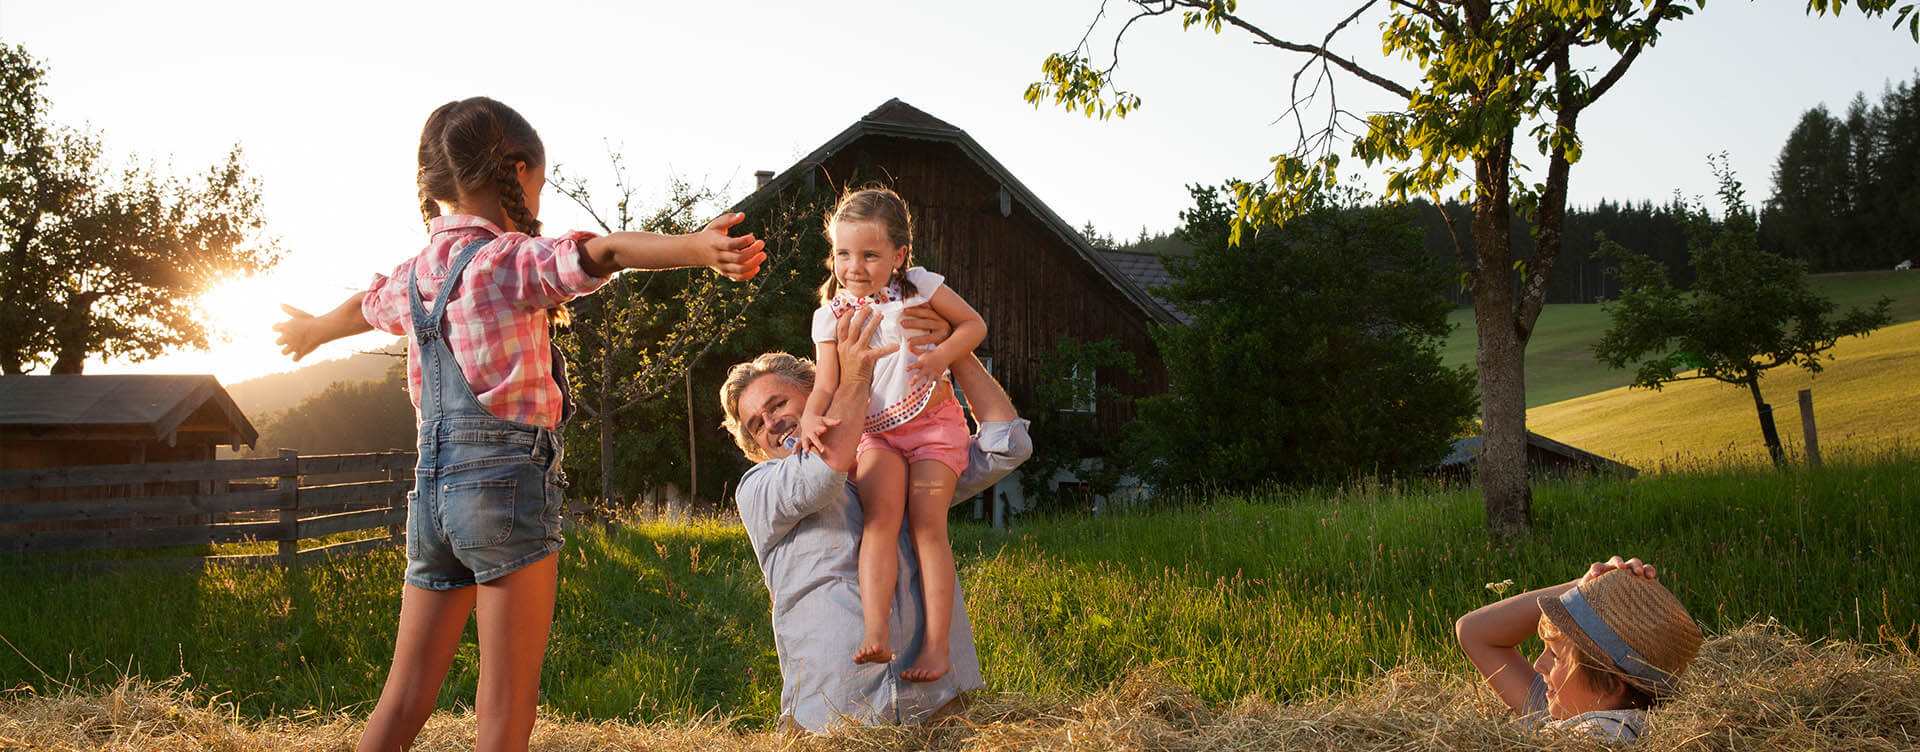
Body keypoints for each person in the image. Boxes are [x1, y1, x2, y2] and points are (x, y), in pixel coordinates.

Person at [270, 96, 765, 752]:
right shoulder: (509, 261)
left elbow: (360, 308)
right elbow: (604, 251)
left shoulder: (417, 276)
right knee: (505, 705)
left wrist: (309, 330)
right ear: (519, 170)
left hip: (431, 502)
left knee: (405, 694)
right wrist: (696, 249)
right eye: (537, 180)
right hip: (504, 493)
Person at [721, 306, 1030, 732]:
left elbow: (1005, 445)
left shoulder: (902, 463)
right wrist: (856, 377)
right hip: (832, 721)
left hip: (938, 711)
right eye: (757, 424)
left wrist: (951, 348)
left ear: (815, 396)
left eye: (778, 404)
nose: (772, 423)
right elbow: (822, 476)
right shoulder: (760, 489)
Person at [798, 187, 987, 682]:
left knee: (928, 527)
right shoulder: (830, 316)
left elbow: (973, 325)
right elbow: (825, 385)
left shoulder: (919, 287)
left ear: (899, 255)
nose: (854, 266)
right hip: (877, 434)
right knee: (879, 521)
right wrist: (809, 419)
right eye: (843, 253)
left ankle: (936, 647)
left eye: (869, 254)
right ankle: (876, 632)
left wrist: (943, 356)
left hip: (933, 427)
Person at [1455, 556, 1705, 743]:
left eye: (1555, 656)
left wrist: (1578, 594)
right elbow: (1472, 631)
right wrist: (1584, 591)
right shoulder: (1568, 707)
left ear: (1611, 684)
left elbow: (1475, 633)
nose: (1538, 666)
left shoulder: (1605, 734)